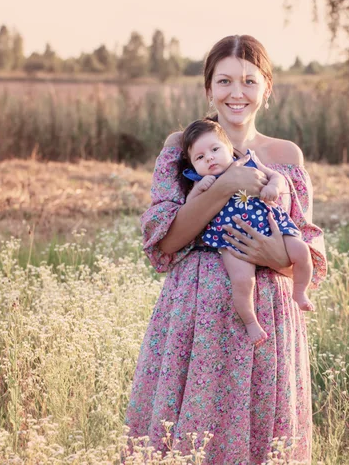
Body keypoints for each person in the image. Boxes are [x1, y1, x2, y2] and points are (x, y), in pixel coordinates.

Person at [124, 35, 327, 464]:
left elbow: (306, 245)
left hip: (268, 314)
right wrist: (227, 186)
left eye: (249, 81)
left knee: (264, 438)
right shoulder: (182, 148)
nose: (237, 93)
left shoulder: (285, 155)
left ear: (266, 88)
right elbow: (166, 239)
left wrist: (274, 256)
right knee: (191, 436)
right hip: (196, 315)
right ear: (208, 89)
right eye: (225, 81)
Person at [179, 118, 314, 346]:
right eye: (200, 158)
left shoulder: (249, 161)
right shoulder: (203, 182)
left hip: (272, 227)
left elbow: (277, 177)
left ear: (229, 149)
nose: (209, 158)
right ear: (193, 166)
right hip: (232, 238)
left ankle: (300, 291)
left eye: (214, 150)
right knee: (242, 281)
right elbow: (188, 210)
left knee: (302, 251)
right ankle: (250, 322)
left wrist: (273, 187)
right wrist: (198, 192)